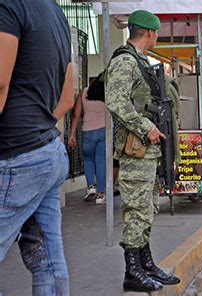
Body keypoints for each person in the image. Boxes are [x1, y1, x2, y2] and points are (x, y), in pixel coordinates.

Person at [0, 1, 74, 295]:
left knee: (47, 261)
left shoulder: (8, 6)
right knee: (48, 262)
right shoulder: (54, 12)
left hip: (15, 155)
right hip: (47, 150)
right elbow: (67, 97)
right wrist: (38, 127)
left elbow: (0, 82)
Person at [105, 10, 180, 292]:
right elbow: (116, 101)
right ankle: (132, 271)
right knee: (136, 210)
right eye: (157, 32)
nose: (157, 36)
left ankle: (146, 263)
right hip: (136, 150)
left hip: (147, 151)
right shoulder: (126, 61)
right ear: (149, 33)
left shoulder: (140, 62)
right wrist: (144, 126)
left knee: (146, 209)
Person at [68, 79, 106, 204]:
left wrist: (72, 134)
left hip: (87, 132)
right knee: (100, 161)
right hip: (103, 131)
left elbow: (76, 114)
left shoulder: (83, 93)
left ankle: (91, 187)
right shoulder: (107, 93)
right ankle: (101, 194)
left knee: (88, 160)